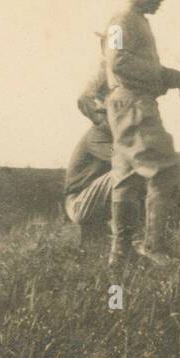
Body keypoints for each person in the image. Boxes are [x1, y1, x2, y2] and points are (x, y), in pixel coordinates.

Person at [102, 0, 180, 267]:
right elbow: (119, 63)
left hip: (129, 104)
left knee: (126, 178)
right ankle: (155, 247)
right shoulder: (122, 19)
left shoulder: (135, 20)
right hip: (134, 104)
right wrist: (160, 77)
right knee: (164, 171)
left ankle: (120, 254)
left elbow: (131, 63)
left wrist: (167, 74)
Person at [64, 62, 114, 243]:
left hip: (91, 199)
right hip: (79, 203)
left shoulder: (111, 135)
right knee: (128, 170)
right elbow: (125, 162)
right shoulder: (98, 135)